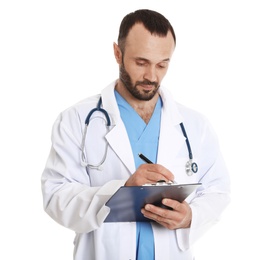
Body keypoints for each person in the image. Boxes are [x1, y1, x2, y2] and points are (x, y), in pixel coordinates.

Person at [41, 9, 230, 260]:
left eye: (162, 64)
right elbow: (56, 197)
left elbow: (218, 190)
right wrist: (122, 190)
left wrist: (190, 216)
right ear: (117, 54)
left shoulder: (195, 125)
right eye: (141, 63)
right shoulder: (76, 120)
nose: (152, 76)